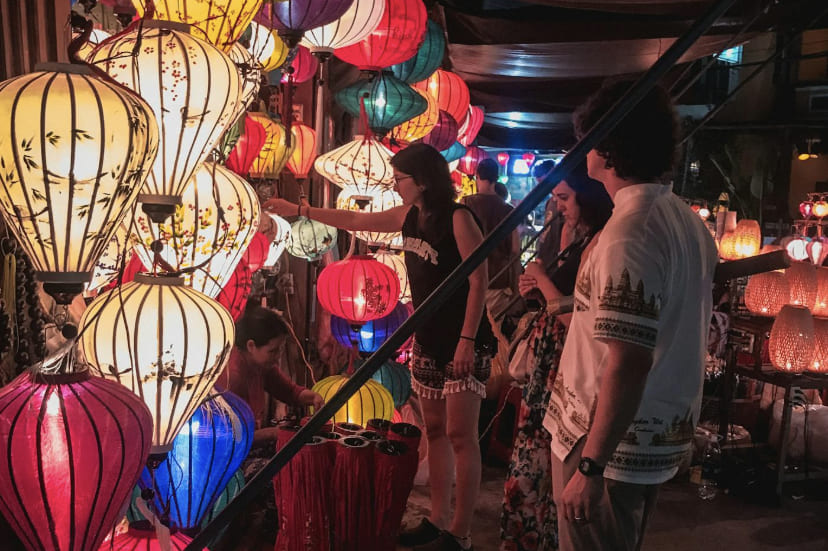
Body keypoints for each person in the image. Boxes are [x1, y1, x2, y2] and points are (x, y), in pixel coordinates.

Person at [264, 143, 495, 551]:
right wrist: (301, 211)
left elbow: (479, 281)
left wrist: (467, 340)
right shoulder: (409, 217)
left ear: (422, 181)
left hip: (463, 340)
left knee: (462, 435)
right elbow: (355, 218)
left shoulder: (459, 218)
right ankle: (438, 518)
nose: (395, 185)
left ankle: (461, 532)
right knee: (437, 431)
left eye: (400, 179)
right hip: (428, 338)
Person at [543, 79, 718, 551]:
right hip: (644, 435)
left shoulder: (631, 232)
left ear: (612, 146)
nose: (584, 149)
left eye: (591, 137)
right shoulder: (682, 219)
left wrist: (590, 467)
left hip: (606, 442)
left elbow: (629, 359)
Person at [501, 161, 613, 551]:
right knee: (534, 453)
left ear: (587, 195)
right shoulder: (575, 235)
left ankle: (539, 538)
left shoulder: (600, 242)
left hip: (565, 362)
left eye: (564, 198)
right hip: (547, 361)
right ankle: (528, 536)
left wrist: (544, 283)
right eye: (555, 200)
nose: (558, 206)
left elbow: (579, 317)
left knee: (548, 456)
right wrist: (537, 288)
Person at [218, 303, 324, 436]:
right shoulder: (232, 377)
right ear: (251, 346)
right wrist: (277, 433)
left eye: (280, 349)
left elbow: (289, 391)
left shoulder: (261, 365)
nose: (278, 356)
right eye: (273, 351)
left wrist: (313, 397)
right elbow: (233, 439)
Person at [461, 158, 520, 385]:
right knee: (492, 334)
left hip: (471, 279)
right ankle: (490, 379)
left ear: (477, 176)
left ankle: (471, 378)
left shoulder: (466, 204)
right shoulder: (508, 210)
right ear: (497, 178)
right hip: (499, 280)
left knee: (470, 329)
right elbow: (515, 249)